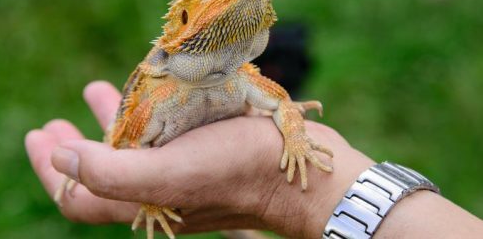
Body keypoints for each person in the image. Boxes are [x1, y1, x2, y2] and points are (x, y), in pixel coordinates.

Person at [25, 81, 483, 238]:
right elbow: (132, 132)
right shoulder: (162, 82)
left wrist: (291, 161)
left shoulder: (240, 75)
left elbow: (282, 105)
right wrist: (146, 193)